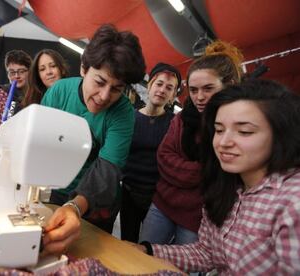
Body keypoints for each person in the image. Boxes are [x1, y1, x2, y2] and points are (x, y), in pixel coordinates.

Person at [136, 79, 300, 274]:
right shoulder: (224, 186)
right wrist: (148, 249)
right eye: (219, 130)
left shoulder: (292, 203)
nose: (223, 142)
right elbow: (207, 253)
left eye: (244, 131)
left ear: (282, 135)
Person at [41, 24, 145, 247]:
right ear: (83, 69)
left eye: (117, 88)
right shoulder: (59, 92)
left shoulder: (123, 113)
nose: (104, 96)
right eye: (99, 82)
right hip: (56, 189)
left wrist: (75, 206)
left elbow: (107, 170)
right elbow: (39, 143)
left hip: (96, 201)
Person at [139, 41, 244, 246]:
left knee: (185, 267)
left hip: (198, 218)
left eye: (208, 88)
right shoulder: (181, 119)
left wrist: (180, 173)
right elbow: (164, 157)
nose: (199, 97)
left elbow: (225, 173)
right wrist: (205, 172)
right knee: (141, 256)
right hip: (162, 205)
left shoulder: (238, 126)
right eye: (194, 90)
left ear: (229, 84)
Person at [120, 63, 180, 242]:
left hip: (158, 197)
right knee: (127, 243)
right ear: (150, 85)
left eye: (169, 88)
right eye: (159, 84)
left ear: (173, 95)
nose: (162, 90)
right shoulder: (129, 117)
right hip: (128, 193)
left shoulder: (175, 123)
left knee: (150, 249)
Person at [0, 50, 32, 156]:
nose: (16, 76)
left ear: (30, 72)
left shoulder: (35, 95)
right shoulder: (1, 93)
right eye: (12, 72)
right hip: (2, 153)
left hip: (25, 152)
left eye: (21, 71)